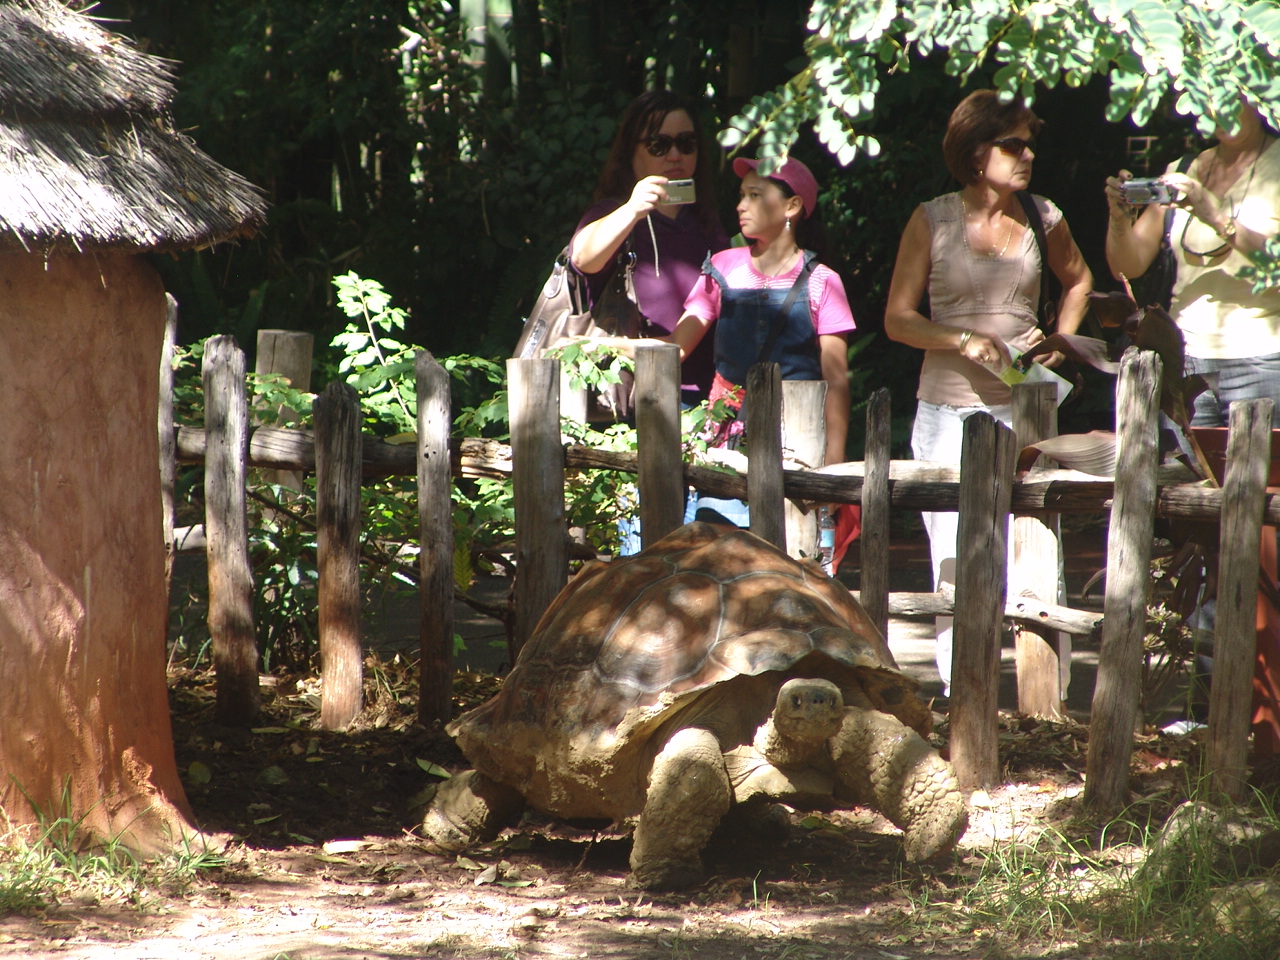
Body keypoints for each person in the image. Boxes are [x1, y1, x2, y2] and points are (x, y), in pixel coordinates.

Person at [884, 90, 1093, 695]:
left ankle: (1042, 703)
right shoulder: (932, 218)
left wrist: (1061, 342)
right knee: (955, 558)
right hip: (946, 411)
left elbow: (1080, 281)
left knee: (1035, 552)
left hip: (1025, 405)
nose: (1028, 155)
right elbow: (897, 319)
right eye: (1013, 145)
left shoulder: (1044, 216)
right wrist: (959, 339)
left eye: (1030, 144)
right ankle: (964, 695)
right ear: (976, 153)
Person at [1105, 100, 1280, 752]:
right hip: (1191, 368)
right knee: (1201, 540)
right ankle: (1213, 707)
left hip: (1262, 362)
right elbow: (1129, 263)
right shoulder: (1188, 165)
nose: (1217, 104)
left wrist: (1212, 211)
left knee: (1261, 536)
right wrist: (1120, 217)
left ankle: (1264, 711)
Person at [592, 155, 854, 529]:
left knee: (793, 554)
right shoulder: (722, 268)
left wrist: (833, 465)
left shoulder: (822, 281)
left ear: (792, 206)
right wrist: (601, 345)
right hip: (727, 447)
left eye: (755, 195)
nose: (741, 205)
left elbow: (837, 380)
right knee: (717, 549)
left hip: (799, 447)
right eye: (742, 195)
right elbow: (676, 348)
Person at [571, 90, 730, 407]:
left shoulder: (706, 220)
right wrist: (632, 209)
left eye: (686, 143)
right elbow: (582, 259)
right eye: (659, 144)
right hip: (632, 396)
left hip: (706, 398)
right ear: (631, 151)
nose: (675, 155)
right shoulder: (614, 213)